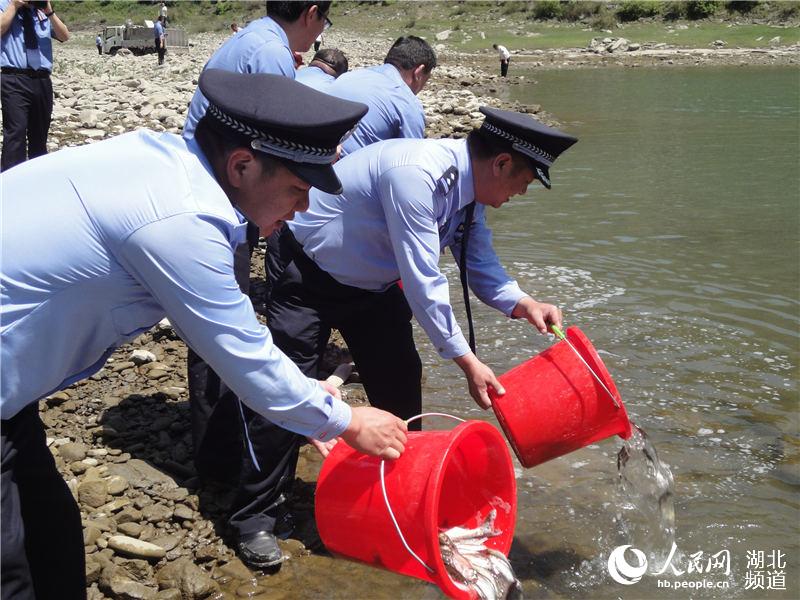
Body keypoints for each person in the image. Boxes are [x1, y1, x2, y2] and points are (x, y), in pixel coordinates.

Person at [0, 69, 407, 598]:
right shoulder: (181, 220)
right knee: (12, 570)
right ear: (242, 165)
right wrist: (346, 419)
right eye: (297, 189)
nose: (303, 209)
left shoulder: (165, 160)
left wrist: (306, 399)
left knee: (49, 533)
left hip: (13, 390)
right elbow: (242, 355)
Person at [263, 108, 577, 496]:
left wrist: (522, 302)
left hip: (372, 287)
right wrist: (467, 362)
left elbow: (477, 261)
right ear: (501, 163)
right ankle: (258, 511)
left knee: (400, 382)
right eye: (525, 182)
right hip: (307, 271)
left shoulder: (469, 193)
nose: (521, 194)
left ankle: (400, 489)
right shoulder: (417, 175)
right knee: (287, 387)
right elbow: (422, 280)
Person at [181, 0, 334, 570]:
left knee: (214, 334)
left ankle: (216, 458)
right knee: (225, 328)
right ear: (313, 12)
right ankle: (225, 463)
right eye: (298, 194)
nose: (300, 211)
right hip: (228, 196)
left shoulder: (254, 39)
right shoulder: (271, 50)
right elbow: (284, 140)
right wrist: (328, 414)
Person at [183, 0, 332, 139]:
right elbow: (279, 134)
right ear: (311, 14)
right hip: (209, 159)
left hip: (197, 145)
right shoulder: (272, 52)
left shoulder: (256, 31)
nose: (322, 29)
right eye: (325, 20)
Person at [325, 35, 435, 157]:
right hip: (344, 169)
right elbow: (411, 160)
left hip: (313, 160)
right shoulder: (406, 102)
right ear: (419, 73)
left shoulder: (348, 77)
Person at [0, 0, 69, 172]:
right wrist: (14, 6)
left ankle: (38, 178)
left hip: (42, 80)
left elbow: (64, 36)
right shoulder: (4, 5)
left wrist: (50, 13)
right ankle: (10, 181)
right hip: (14, 77)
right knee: (16, 132)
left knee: (40, 134)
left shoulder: (41, 10)